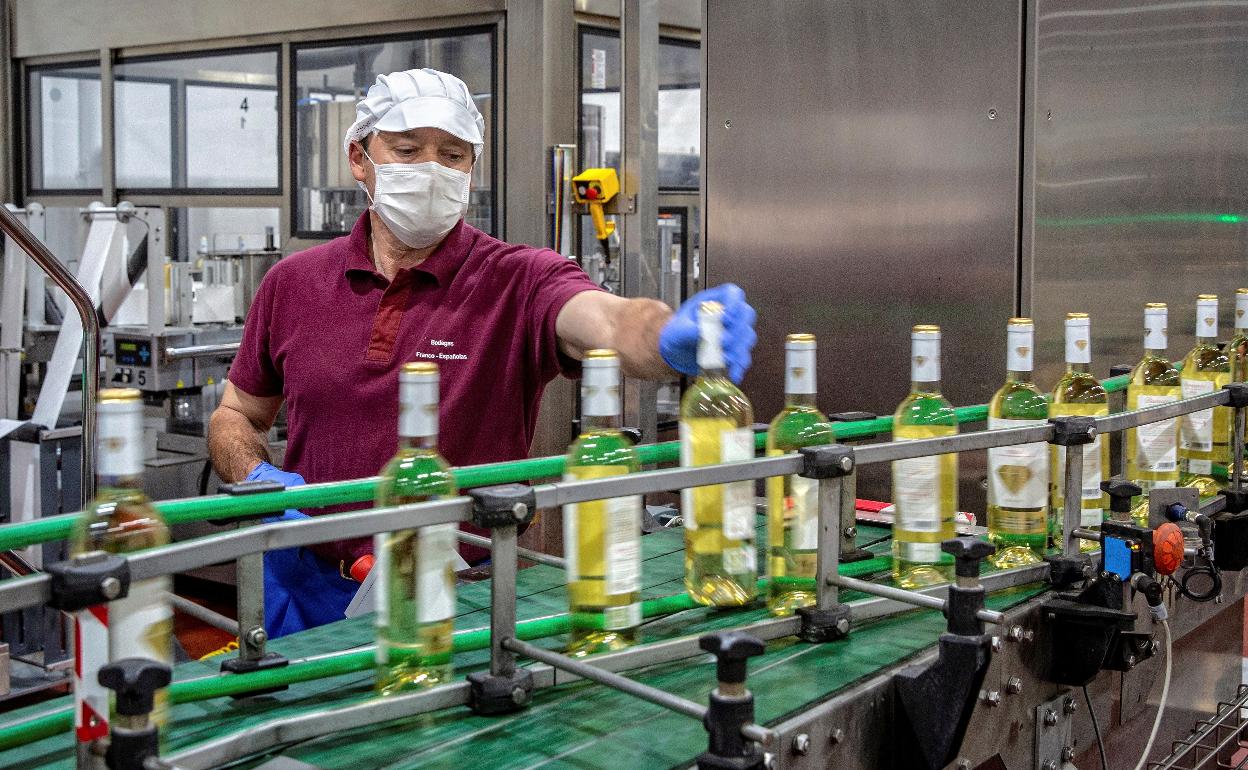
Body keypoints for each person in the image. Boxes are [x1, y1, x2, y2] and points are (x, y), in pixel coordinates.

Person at [208, 68, 757, 637]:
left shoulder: (518, 279)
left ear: (472, 168)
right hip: (304, 589)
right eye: (406, 149)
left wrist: (665, 338)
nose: (430, 170)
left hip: (465, 600)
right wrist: (257, 478)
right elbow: (236, 416)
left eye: (452, 154)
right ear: (358, 159)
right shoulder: (293, 283)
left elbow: (610, 322)